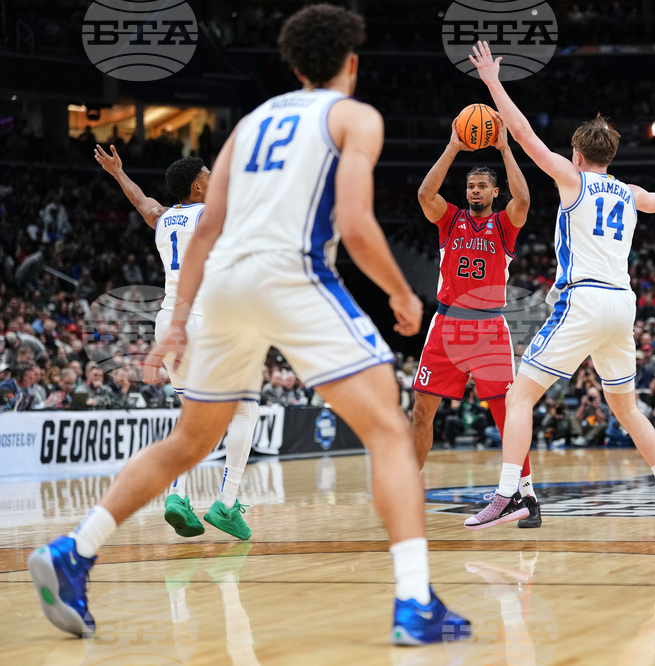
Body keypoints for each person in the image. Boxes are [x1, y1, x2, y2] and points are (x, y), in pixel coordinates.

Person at [29, 5, 470, 645]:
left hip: (225, 287)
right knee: (389, 433)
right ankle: (414, 603)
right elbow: (353, 222)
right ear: (351, 63)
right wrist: (402, 292)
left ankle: (75, 550)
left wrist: (179, 318)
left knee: (188, 441)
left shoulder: (250, 124)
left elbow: (206, 227)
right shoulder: (354, 116)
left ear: (294, 66)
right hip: (289, 273)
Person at [465, 41, 655, 531]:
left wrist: (492, 81)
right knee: (627, 408)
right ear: (610, 155)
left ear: (576, 154)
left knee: (519, 397)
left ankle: (509, 494)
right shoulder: (630, 193)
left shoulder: (572, 180)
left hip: (585, 299)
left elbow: (523, 133)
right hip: (622, 304)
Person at [95, 140, 261, 542]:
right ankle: (226, 502)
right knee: (245, 410)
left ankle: (177, 495)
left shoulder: (165, 218)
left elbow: (142, 203)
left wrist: (119, 173)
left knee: (192, 419)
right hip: (206, 320)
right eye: (208, 175)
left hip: (169, 321)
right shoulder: (215, 213)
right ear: (198, 187)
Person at [411, 109, 542, 527]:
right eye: (470, 186)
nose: (475, 190)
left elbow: (524, 201)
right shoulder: (450, 219)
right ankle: (407, 488)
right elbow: (424, 194)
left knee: (507, 415)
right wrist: (453, 145)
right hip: (447, 324)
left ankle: (526, 495)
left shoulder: (504, 224)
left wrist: (504, 148)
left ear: (494, 192)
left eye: (482, 185)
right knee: (421, 409)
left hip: (488, 327)